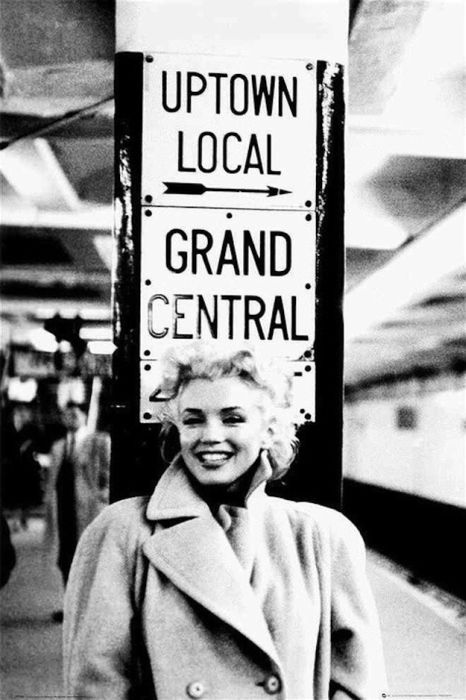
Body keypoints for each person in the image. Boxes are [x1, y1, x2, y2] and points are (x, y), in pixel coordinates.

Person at [64, 344, 387, 699]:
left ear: (269, 429)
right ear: (177, 430)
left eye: (232, 418)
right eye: (193, 419)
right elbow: (96, 685)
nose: (210, 436)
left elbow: (360, 684)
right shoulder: (122, 533)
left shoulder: (320, 536)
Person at [45, 400, 110, 609]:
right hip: (63, 507)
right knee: (65, 557)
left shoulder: (98, 441)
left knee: (88, 556)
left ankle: (88, 608)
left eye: (75, 414)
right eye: (66, 415)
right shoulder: (58, 446)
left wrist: (102, 496)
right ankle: (70, 606)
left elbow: (107, 473)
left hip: (89, 509)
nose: (70, 418)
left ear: (84, 416)